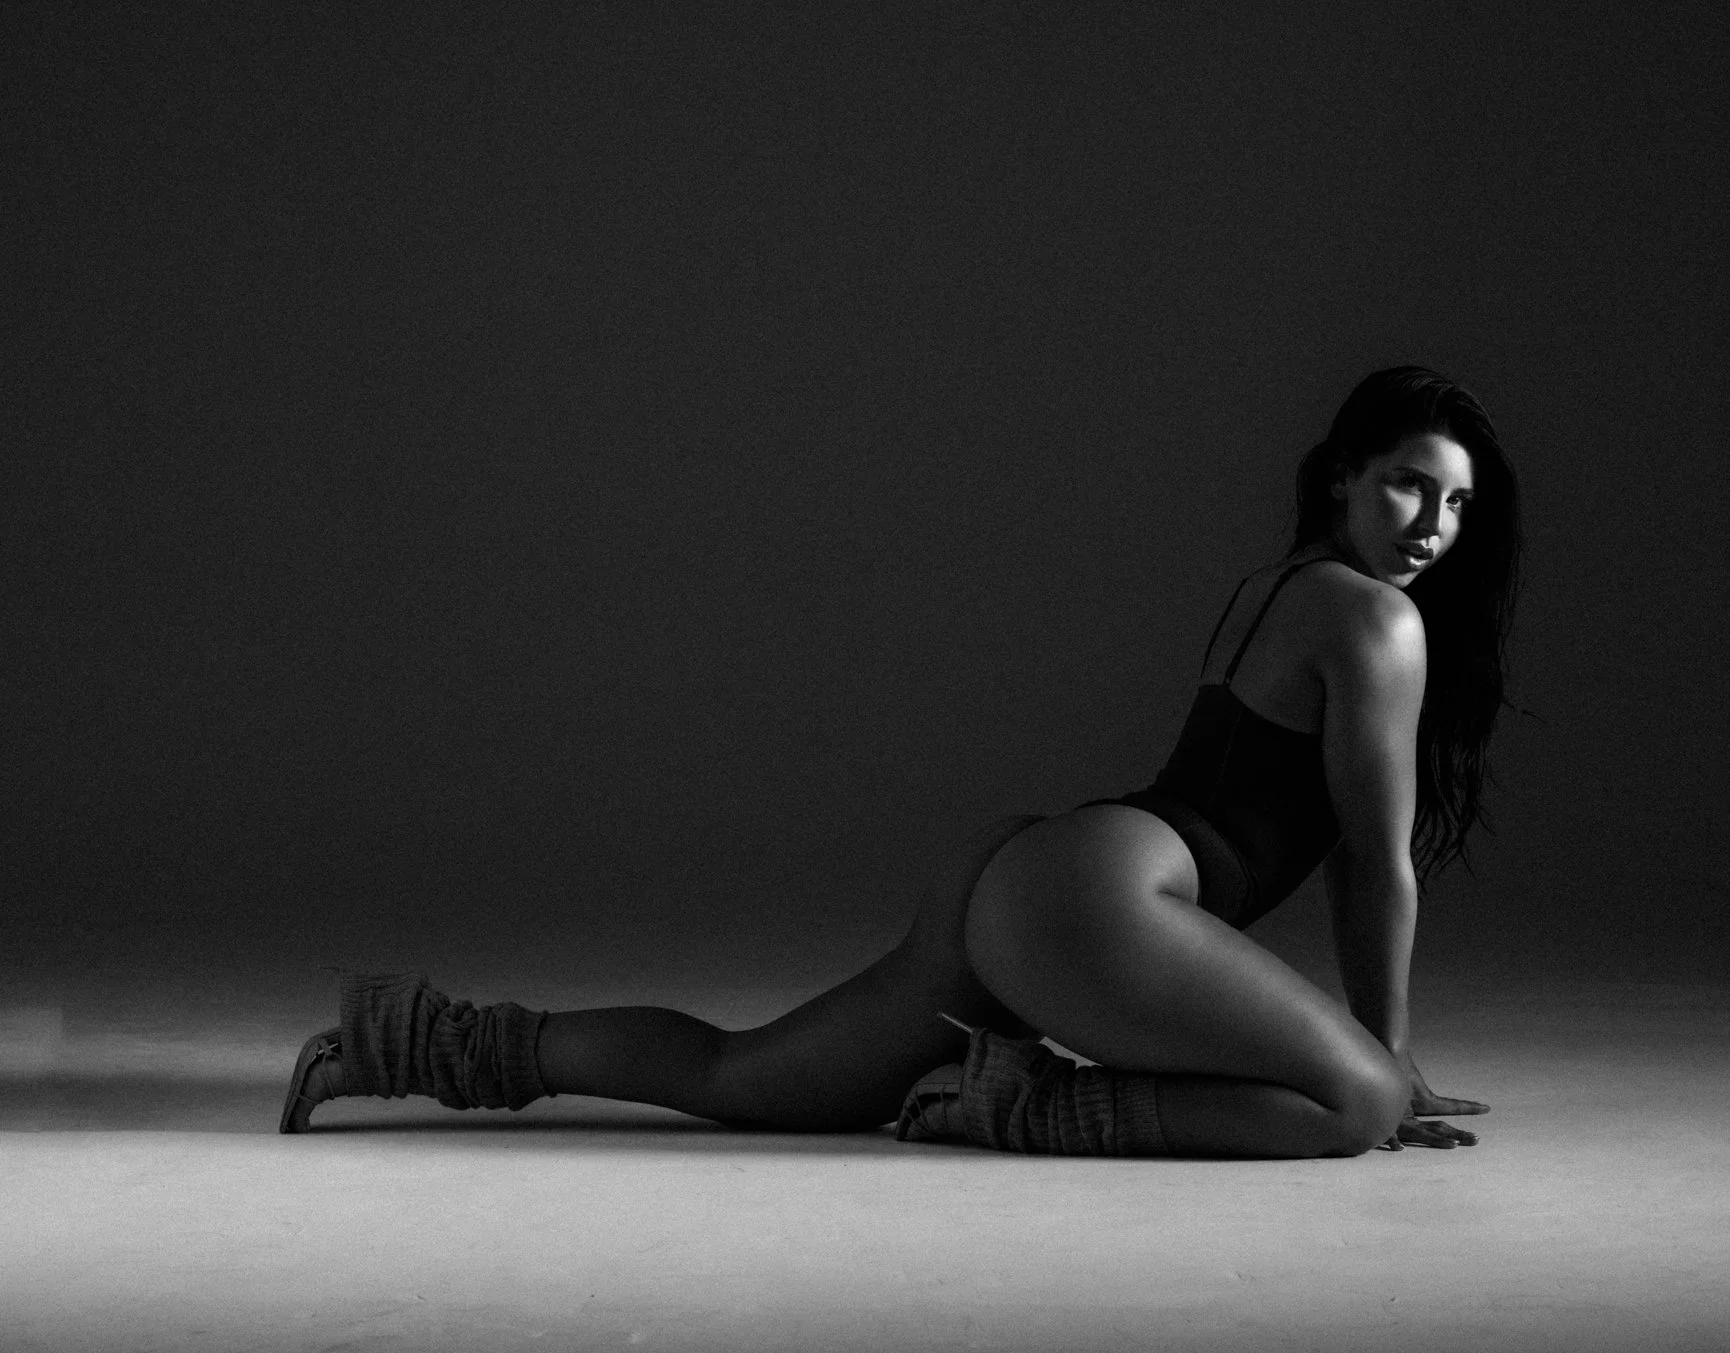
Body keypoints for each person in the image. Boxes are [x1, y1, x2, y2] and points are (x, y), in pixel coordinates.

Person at [280, 365, 1519, 1159]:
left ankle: (402, 1040)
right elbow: (1374, 864)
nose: (1431, 527)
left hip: (1044, 872)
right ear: (1343, 477)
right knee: (1353, 1102)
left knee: (745, 1074)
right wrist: (1391, 1057)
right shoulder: (1373, 618)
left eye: (1456, 506)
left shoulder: (1282, 585)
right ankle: (1013, 1103)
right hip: (1099, 897)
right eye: (1406, 488)